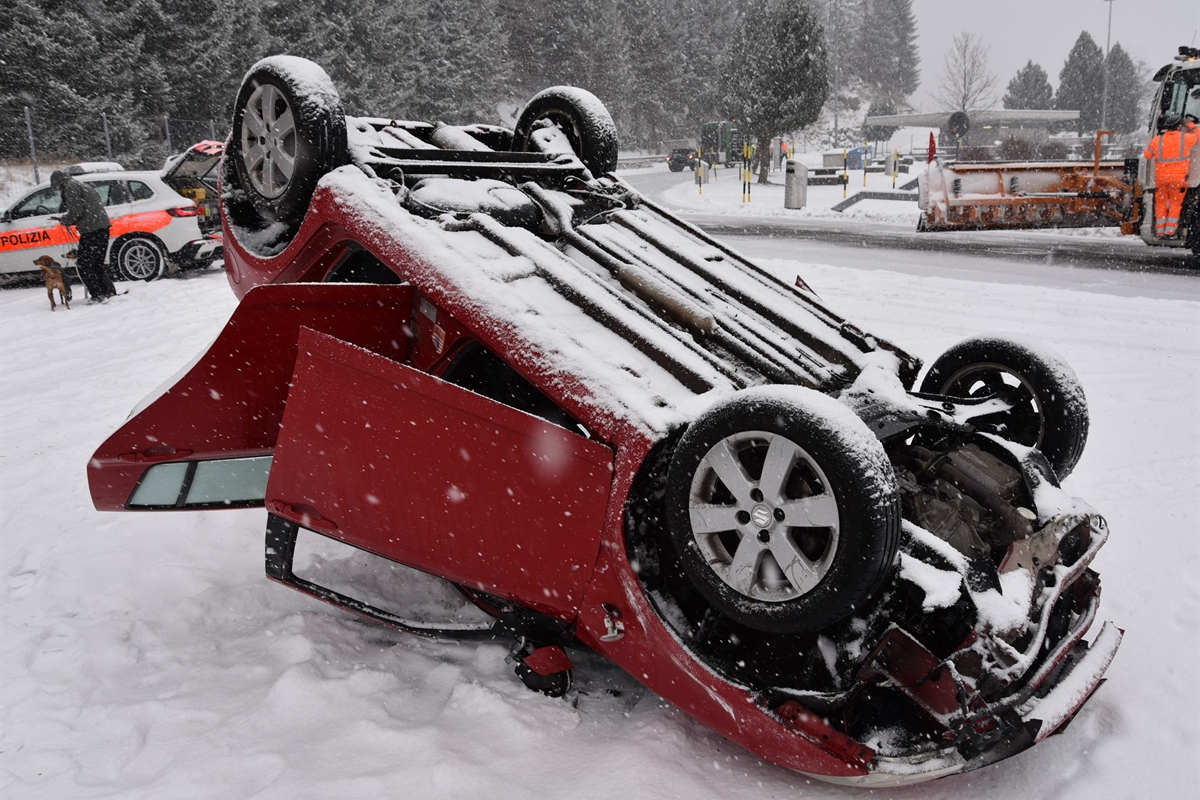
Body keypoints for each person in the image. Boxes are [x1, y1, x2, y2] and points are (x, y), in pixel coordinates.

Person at [50, 171, 115, 303]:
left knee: (84, 265)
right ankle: (105, 292)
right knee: (97, 263)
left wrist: (65, 219)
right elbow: (87, 208)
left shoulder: (70, 188)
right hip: (101, 228)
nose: (56, 188)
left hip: (92, 230)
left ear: (58, 182)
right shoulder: (80, 184)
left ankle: (97, 295)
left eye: (55, 186)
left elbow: (77, 211)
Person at [1142, 113, 1200, 239]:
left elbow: (1147, 155)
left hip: (1161, 179)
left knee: (1161, 204)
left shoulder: (1157, 139)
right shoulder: (1185, 138)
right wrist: (1190, 124)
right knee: (1175, 205)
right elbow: (1198, 135)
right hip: (1178, 179)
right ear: (1179, 126)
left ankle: (1159, 232)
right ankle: (1169, 233)